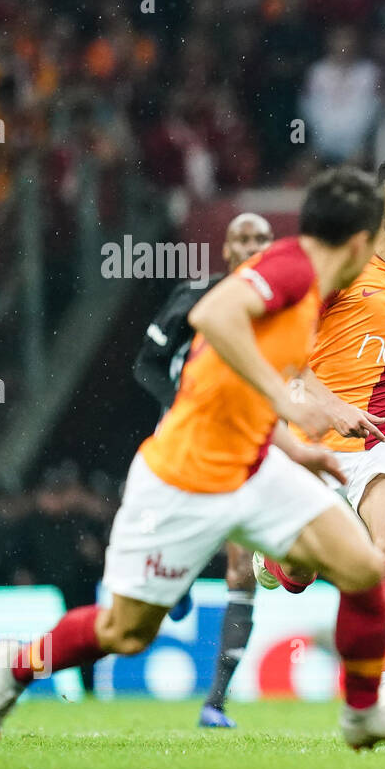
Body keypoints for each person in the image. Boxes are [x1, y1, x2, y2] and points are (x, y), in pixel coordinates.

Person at [0, 167, 385, 752]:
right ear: (357, 239)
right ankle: (15, 672)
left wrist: (295, 446)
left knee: (364, 567)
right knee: (124, 630)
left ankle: (362, 713)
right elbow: (211, 317)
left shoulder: (349, 286)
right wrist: (287, 402)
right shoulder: (291, 269)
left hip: (257, 464)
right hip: (186, 476)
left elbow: (251, 381)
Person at [253, 156, 385, 717]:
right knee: (299, 572)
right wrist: (331, 405)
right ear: (378, 208)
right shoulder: (340, 266)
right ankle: (277, 565)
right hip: (316, 435)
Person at [133, 211, 274, 728]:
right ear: (228, 249)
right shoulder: (196, 296)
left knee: (242, 570)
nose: (254, 245)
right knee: (177, 540)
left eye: (263, 238)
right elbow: (146, 363)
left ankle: (215, 702)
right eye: (244, 238)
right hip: (187, 446)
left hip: (249, 449)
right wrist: (181, 405)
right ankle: (175, 578)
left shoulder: (285, 310)